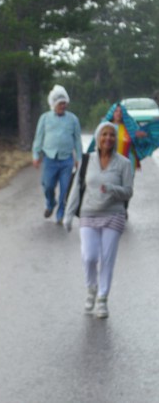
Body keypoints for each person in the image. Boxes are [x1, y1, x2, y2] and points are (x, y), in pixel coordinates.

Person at [64, 121, 133, 318]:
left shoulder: (124, 164)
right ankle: (91, 288)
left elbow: (128, 192)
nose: (108, 138)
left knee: (107, 259)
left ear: (115, 139)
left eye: (112, 135)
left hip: (113, 215)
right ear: (97, 138)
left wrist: (113, 190)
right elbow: (76, 188)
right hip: (88, 214)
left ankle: (102, 299)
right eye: (104, 134)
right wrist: (68, 215)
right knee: (89, 256)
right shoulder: (87, 161)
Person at [32, 84, 82, 224]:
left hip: (66, 160)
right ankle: (50, 203)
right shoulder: (45, 118)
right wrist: (36, 155)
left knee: (65, 188)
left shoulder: (73, 119)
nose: (63, 106)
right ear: (53, 103)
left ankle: (60, 214)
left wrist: (78, 158)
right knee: (48, 186)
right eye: (60, 103)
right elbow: (38, 138)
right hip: (50, 159)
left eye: (64, 103)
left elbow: (77, 140)